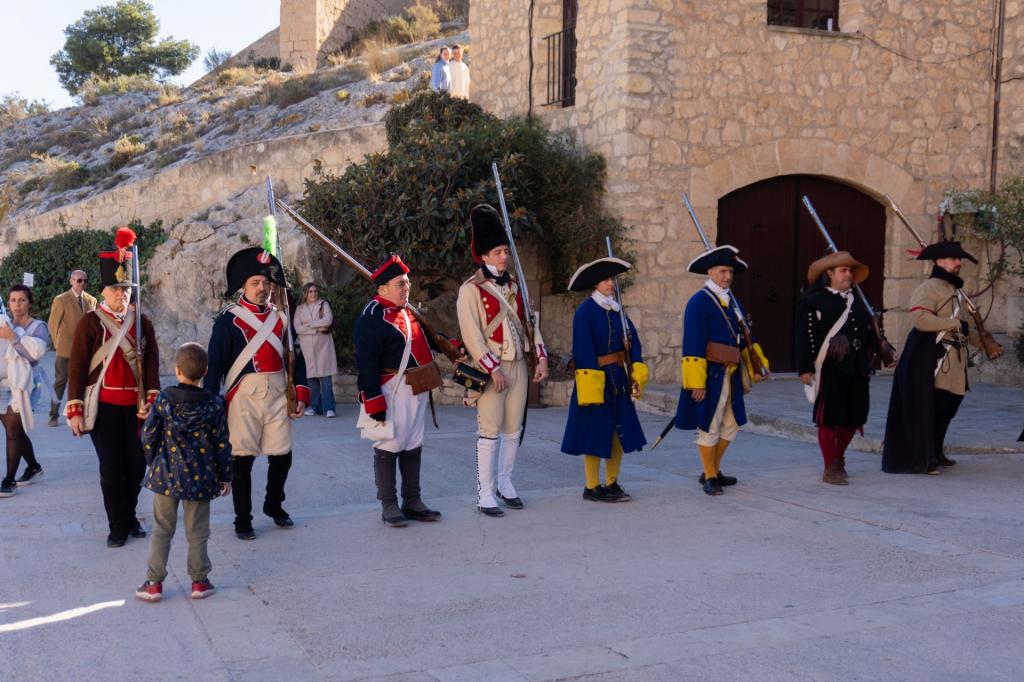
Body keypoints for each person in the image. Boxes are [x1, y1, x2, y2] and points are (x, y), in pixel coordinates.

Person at [205, 247, 309, 540]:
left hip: (277, 392)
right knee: (242, 461)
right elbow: (215, 366)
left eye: (265, 283)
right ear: (243, 286)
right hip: (243, 397)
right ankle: (243, 519)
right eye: (255, 283)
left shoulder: (282, 319)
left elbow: (295, 359)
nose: (262, 288)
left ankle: (273, 504)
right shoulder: (229, 320)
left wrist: (300, 391)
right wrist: (211, 404)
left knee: (282, 456)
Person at [66, 228, 160, 547]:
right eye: (116, 288)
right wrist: (75, 408)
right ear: (104, 290)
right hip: (103, 408)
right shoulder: (90, 323)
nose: (122, 294)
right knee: (111, 469)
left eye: (126, 288)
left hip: (135, 409)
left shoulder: (141, 321)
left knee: (136, 468)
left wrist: (151, 399)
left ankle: (129, 514)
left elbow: (151, 365)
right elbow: (77, 367)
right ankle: (117, 524)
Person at [457, 204, 548, 516]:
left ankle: (506, 483)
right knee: (490, 430)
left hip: (518, 364)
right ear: (483, 255)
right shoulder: (470, 290)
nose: (503, 257)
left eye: (505, 251)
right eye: (497, 252)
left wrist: (541, 356)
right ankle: (485, 493)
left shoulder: (514, 286)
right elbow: (472, 335)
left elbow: (529, 323)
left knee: (513, 428)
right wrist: (491, 368)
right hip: (491, 367)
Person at [882, 240, 1000, 474]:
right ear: (939, 261)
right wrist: (954, 323)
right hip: (930, 359)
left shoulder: (954, 290)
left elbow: (966, 327)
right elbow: (921, 320)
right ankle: (925, 457)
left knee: (947, 408)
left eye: (959, 259)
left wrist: (985, 344)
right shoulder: (929, 288)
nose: (958, 263)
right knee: (932, 408)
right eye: (954, 259)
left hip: (953, 359)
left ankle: (936, 451)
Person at [355, 255, 450, 527]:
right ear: (383, 288)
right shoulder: (371, 317)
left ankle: (413, 500)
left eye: (407, 282)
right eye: (400, 283)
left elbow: (427, 339)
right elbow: (367, 363)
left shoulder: (408, 312)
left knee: (412, 444)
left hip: (418, 387)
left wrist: (450, 344)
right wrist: (372, 399)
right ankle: (389, 504)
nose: (406, 287)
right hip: (391, 390)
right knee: (389, 445)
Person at [136, 343, 232, 603]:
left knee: (162, 529)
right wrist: (226, 476)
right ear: (206, 371)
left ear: (177, 370)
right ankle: (199, 581)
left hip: (167, 475)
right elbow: (222, 443)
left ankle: (154, 583)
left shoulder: (164, 401)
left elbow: (148, 434)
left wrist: (153, 460)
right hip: (201, 478)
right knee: (198, 531)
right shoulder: (213, 404)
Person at [673, 245, 769, 496]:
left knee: (731, 424)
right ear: (710, 271)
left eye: (730, 272)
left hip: (732, 372)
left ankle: (712, 470)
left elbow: (745, 336)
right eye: (722, 271)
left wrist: (757, 363)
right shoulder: (699, 301)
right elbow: (692, 342)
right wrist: (696, 382)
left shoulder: (733, 301)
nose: (727, 276)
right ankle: (710, 476)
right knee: (709, 425)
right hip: (710, 375)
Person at [560, 257, 649, 502]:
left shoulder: (619, 312)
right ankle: (591, 486)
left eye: (612, 279)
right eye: (606, 279)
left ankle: (612, 483)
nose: (611, 283)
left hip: (619, 378)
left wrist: (635, 371)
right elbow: (583, 351)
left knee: (617, 433)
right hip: (595, 380)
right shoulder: (586, 312)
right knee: (594, 432)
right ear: (595, 284)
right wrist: (591, 389)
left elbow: (635, 344)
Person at [795, 252, 882, 485]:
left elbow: (871, 330)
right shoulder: (814, 301)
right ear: (829, 274)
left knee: (854, 416)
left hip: (858, 367)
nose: (848, 274)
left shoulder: (861, 298)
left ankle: (838, 456)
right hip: (830, 368)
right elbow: (804, 336)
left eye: (850, 270)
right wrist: (805, 368)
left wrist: (882, 350)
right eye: (843, 270)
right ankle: (830, 466)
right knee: (830, 418)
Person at [0, 285, 50, 497]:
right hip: (2, 383)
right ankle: (34, 467)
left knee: (12, 430)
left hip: (25, 385)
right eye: (13, 300)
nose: (17, 304)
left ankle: (8, 480)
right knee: (16, 431)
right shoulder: (4, 323)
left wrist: (13, 336)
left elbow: (34, 355)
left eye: (22, 300)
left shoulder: (38, 326)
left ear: (29, 302)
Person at [48, 270, 97, 426]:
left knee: (83, 381)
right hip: (65, 350)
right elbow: (52, 324)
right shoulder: (61, 300)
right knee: (60, 382)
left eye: (84, 280)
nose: (82, 283)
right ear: (71, 281)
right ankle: (53, 415)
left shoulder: (91, 300)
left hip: (85, 350)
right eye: (78, 280)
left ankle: (81, 413)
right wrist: (58, 344)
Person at [294, 282, 338, 418]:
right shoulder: (300, 309)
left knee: (325, 379)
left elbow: (328, 320)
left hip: (323, 347)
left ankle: (329, 408)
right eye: (310, 291)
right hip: (307, 347)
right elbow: (297, 328)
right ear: (306, 293)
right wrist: (317, 329)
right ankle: (315, 407)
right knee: (311, 380)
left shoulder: (324, 304)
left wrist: (310, 324)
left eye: (315, 291)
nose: (313, 294)